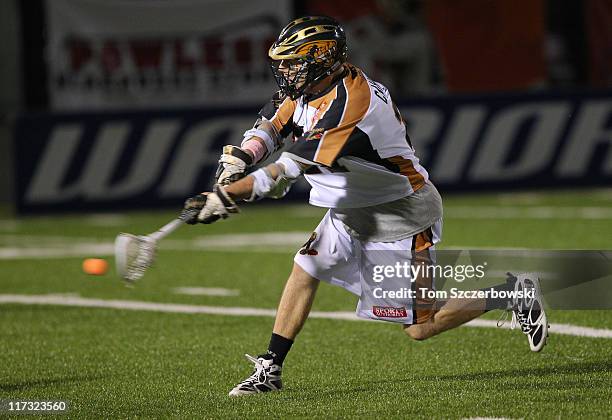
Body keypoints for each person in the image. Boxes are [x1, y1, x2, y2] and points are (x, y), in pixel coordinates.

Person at [180, 16, 549, 396]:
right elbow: (271, 125)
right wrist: (239, 159)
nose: (285, 71)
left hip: (398, 213)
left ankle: (510, 292)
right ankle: (270, 369)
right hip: (349, 204)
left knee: (421, 327)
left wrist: (226, 195)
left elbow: (285, 169)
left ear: (321, 58)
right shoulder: (315, 85)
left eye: (292, 61)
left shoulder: (352, 104)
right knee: (306, 268)